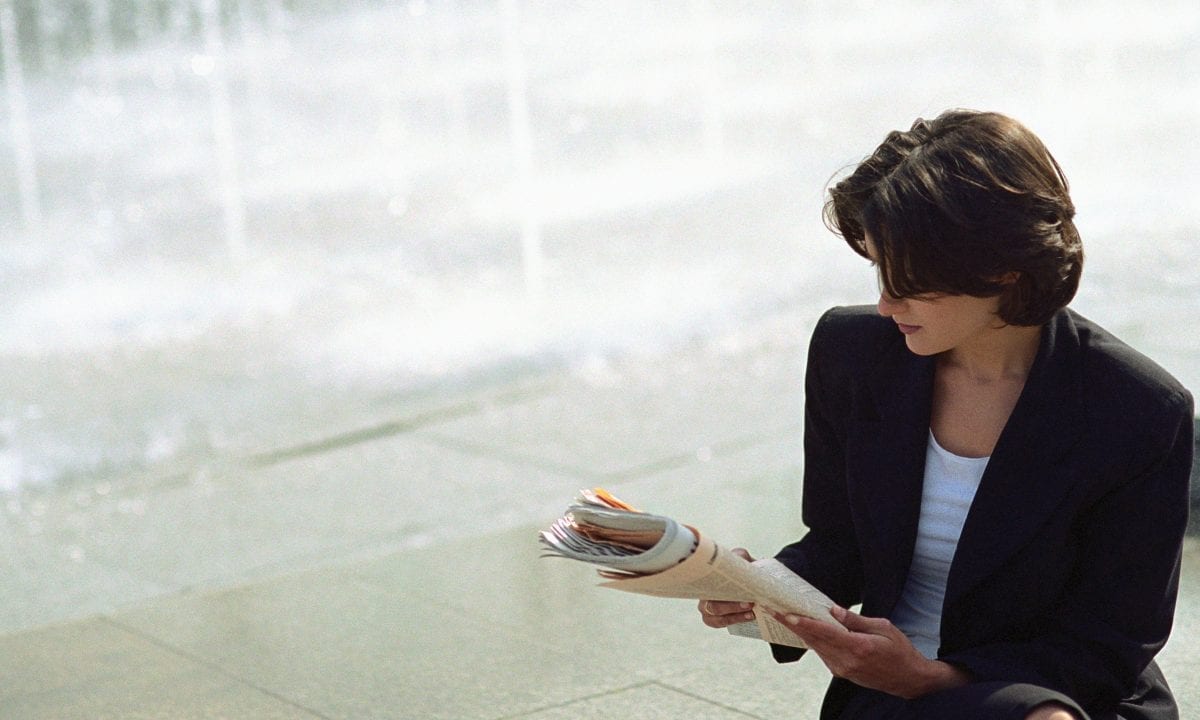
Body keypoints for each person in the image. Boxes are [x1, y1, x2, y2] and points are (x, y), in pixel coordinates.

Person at [697, 109, 1193, 720]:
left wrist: (934, 676)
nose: (884, 303)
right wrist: (764, 588)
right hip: (884, 693)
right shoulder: (852, 354)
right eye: (879, 270)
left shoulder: (1137, 407)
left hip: (1054, 692)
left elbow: (1110, 641)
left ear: (1004, 274)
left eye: (909, 283)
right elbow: (840, 543)